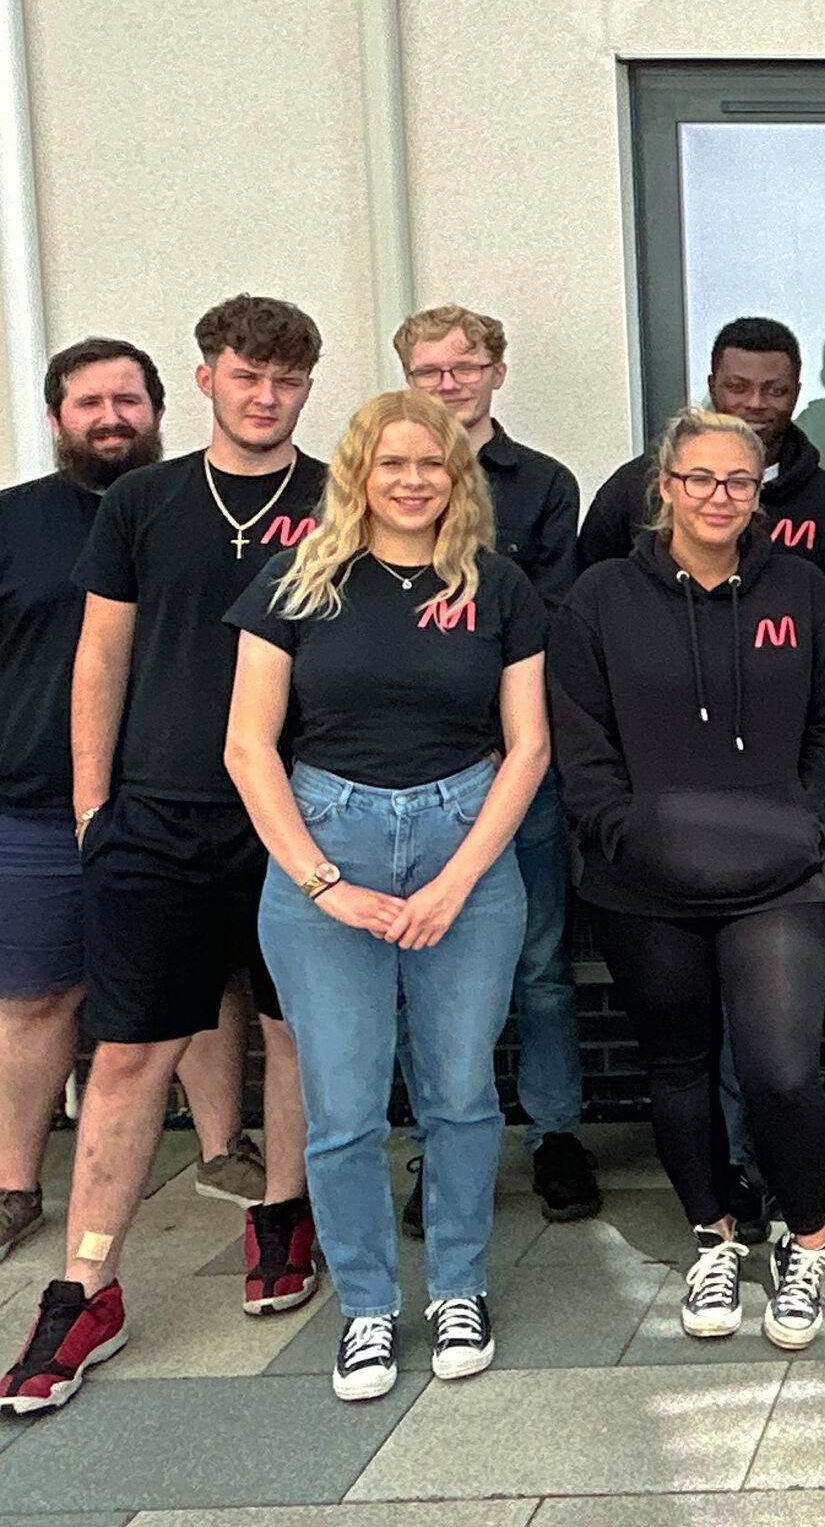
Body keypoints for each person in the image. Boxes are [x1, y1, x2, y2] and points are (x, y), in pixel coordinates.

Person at [2, 297, 329, 1416]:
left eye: (286, 381)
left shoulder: (338, 499)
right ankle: (85, 1284)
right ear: (205, 378)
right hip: (158, 814)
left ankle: (280, 1217)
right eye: (246, 376)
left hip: (296, 816)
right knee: (133, 1049)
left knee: (292, 1030)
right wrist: (96, 805)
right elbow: (103, 652)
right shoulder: (144, 500)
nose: (265, 397)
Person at [222, 391, 548, 1401]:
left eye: (433, 464)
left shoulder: (498, 588)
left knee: (459, 1093)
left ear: (457, 478)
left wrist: (457, 881)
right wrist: (324, 884)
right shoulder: (295, 584)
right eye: (392, 462)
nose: (413, 480)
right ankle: (366, 1305)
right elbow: (246, 746)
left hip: (467, 843)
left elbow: (528, 744)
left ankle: (457, 1287)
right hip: (325, 842)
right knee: (344, 1108)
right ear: (357, 473)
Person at [548, 406, 825, 1351]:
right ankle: (714, 1238)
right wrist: (620, 831)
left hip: (776, 877)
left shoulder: (802, 590)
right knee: (678, 1069)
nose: (719, 497)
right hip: (644, 880)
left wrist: (808, 814)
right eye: (700, 480)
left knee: (779, 1071)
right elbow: (581, 737)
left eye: (738, 481)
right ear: (666, 488)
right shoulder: (600, 597)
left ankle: (804, 1240)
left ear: (758, 491)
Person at [394, 303, 600, 1226]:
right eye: (430, 371)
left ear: (496, 372)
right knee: (428, 967)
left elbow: (547, 627)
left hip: (519, 761)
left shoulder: (546, 486)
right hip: (409, 775)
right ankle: (442, 1144)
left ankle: (555, 1134)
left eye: (465, 367)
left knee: (542, 963)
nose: (449, 384)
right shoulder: (378, 487)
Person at [0, 341, 166, 1267]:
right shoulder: (13, 522)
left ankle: (225, 1151)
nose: (112, 417)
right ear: (57, 416)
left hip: (169, 799)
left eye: (129, 399)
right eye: (90, 402)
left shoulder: (184, 512)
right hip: (31, 802)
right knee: (32, 1000)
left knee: (204, 991)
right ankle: (14, 1182)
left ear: (159, 407)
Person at [580, 315, 825, 625]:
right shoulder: (637, 489)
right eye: (737, 387)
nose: (755, 403)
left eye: (775, 391)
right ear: (712, 387)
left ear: (796, 394)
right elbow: (586, 606)